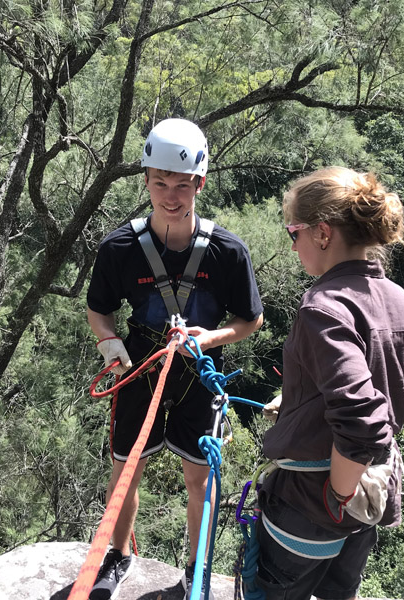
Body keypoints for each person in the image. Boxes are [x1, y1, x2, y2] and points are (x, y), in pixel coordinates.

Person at [86, 118, 264, 600]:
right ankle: (117, 555)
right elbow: (99, 309)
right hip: (139, 367)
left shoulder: (227, 251)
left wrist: (212, 337)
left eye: (182, 185)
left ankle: (195, 568)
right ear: (146, 180)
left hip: (199, 373)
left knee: (198, 476)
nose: (170, 196)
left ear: (199, 184)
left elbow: (251, 319)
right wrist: (108, 341)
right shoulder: (120, 248)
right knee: (126, 468)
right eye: (160, 183)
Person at [256, 166, 404, 600]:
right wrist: (299, 402)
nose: (292, 244)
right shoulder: (399, 300)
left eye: (294, 232)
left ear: (323, 233)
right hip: (369, 500)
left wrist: (339, 493)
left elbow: (362, 420)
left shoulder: (323, 307)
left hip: (313, 505)